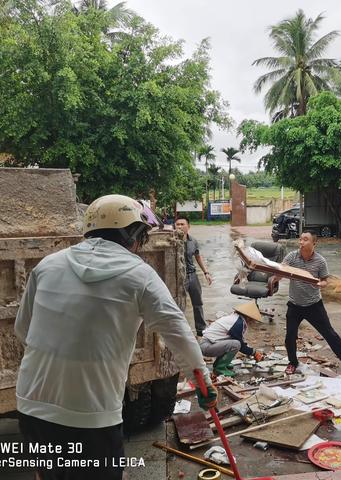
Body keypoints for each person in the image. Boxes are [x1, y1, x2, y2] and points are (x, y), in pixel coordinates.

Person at [14, 194, 217, 480]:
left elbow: (23, 330)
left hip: (32, 406)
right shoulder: (139, 275)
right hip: (93, 414)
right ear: (132, 235)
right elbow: (179, 333)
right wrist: (203, 383)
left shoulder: (48, 265)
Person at [280, 231, 341, 376]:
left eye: (305, 240)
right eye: (300, 239)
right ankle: (293, 362)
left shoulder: (320, 261)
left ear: (314, 243)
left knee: (329, 334)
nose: (301, 242)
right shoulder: (292, 257)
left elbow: (326, 279)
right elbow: (281, 271)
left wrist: (322, 284)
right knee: (290, 336)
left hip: (314, 305)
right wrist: (273, 280)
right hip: (294, 305)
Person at [199, 301, 264, 376]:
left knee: (234, 342)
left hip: (208, 344)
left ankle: (219, 364)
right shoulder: (238, 323)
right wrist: (254, 352)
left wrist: (252, 351)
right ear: (248, 317)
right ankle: (220, 368)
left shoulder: (235, 318)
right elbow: (241, 346)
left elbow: (240, 339)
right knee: (236, 344)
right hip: (207, 347)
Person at [175, 216, 212, 336]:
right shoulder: (172, 241)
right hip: (179, 277)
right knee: (179, 304)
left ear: (188, 227)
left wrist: (206, 272)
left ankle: (201, 330)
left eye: (182, 224)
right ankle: (180, 331)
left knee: (198, 303)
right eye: (177, 224)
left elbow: (198, 257)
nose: (179, 226)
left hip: (192, 276)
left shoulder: (193, 241)